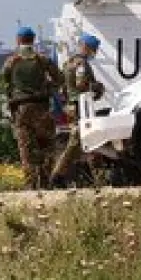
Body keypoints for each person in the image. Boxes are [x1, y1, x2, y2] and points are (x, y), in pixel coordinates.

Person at [0, 26, 65, 190]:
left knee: (26, 148)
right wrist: (48, 87)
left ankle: (30, 184)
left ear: (18, 40)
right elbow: (59, 79)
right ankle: (45, 182)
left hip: (21, 109)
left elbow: (5, 83)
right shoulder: (43, 59)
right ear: (33, 40)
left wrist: (12, 98)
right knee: (46, 145)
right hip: (41, 107)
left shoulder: (11, 61)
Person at [51, 33, 105, 187]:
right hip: (79, 106)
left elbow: (62, 87)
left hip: (71, 105)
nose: (94, 52)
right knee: (79, 141)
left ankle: (96, 177)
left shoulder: (69, 62)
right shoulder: (81, 63)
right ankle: (57, 175)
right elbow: (81, 84)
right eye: (93, 49)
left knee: (85, 141)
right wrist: (97, 87)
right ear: (87, 47)